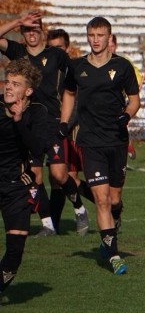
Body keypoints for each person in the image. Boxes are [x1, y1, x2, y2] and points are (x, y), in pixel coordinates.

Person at [60, 17, 140, 275]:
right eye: (91, 34)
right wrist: (64, 122)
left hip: (116, 141)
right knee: (101, 199)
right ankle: (114, 255)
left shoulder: (123, 66)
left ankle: (116, 220)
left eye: (100, 35)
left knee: (114, 199)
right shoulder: (77, 67)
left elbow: (134, 100)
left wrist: (126, 115)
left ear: (109, 38)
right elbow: (69, 93)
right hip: (90, 142)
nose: (95, 39)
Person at [0, 12, 90, 237]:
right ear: (22, 33)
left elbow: (72, 88)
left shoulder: (56, 55)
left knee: (60, 175)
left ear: (42, 31)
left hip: (51, 123)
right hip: (25, 121)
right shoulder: (18, 52)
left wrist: (64, 120)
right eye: (27, 30)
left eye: (35, 29)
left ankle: (79, 208)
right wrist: (18, 21)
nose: (31, 33)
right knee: (34, 175)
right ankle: (48, 225)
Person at [0, 59, 49, 304]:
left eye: (15, 84)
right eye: (7, 81)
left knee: (16, 250)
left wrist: (19, 122)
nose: (8, 87)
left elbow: (38, 147)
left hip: (15, 187)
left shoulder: (37, 112)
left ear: (28, 91)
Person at [46, 29, 92, 207]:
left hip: (71, 130)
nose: (55, 52)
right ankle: (54, 226)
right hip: (52, 129)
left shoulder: (74, 69)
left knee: (68, 177)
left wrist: (64, 127)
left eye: (59, 47)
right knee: (55, 177)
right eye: (51, 48)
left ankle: (108, 205)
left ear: (67, 48)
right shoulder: (45, 70)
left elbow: (75, 102)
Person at [108, 34, 142, 161]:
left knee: (118, 124)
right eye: (108, 45)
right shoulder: (98, 62)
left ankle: (124, 145)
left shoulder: (124, 63)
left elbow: (136, 79)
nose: (110, 48)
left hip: (120, 100)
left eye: (112, 45)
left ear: (115, 46)